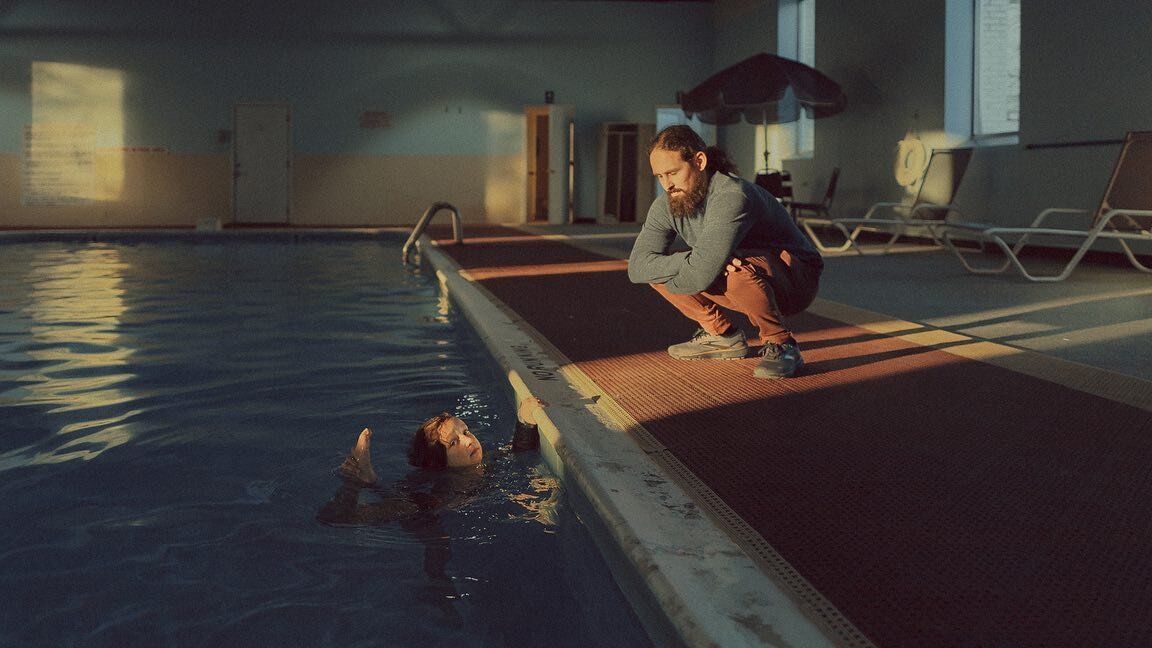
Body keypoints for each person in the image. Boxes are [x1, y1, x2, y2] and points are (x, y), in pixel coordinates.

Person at [627, 125, 824, 379]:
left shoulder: (732, 195)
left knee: (727, 266)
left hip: (796, 279)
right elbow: (638, 267)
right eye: (659, 176)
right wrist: (691, 261)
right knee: (664, 266)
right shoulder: (666, 204)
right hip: (737, 274)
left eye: (673, 172)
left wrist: (699, 264)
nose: (667, 184)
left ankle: (782, 344)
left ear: (699, 161)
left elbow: (701, 274)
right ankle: (722, 336)